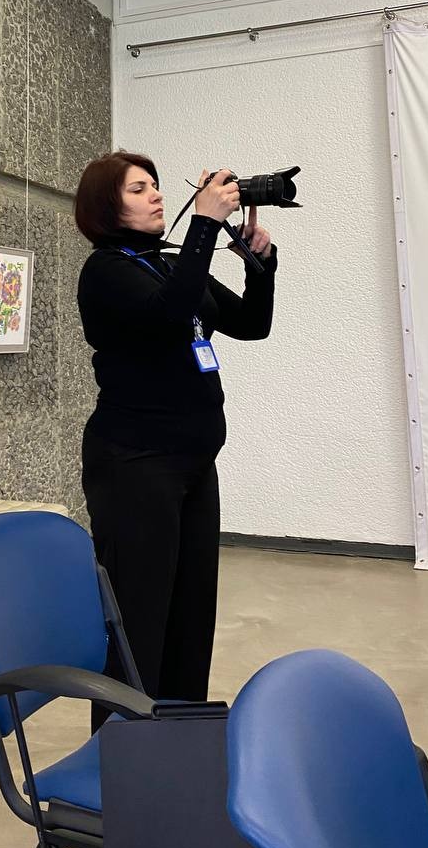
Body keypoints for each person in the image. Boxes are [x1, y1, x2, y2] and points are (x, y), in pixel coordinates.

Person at [74, 150, 277, 729]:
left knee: (191, 614)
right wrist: (205, 225)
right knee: (138, 619)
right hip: (135, 466)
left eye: (157, 185)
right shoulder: (106, 272)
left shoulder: (167, 264)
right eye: (138, 189)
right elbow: (167, 318)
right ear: (106, 206)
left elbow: (251, 324)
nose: (157, 195)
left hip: (192, 466)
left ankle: (179, 743)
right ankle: (122, 752)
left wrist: (260, 264)